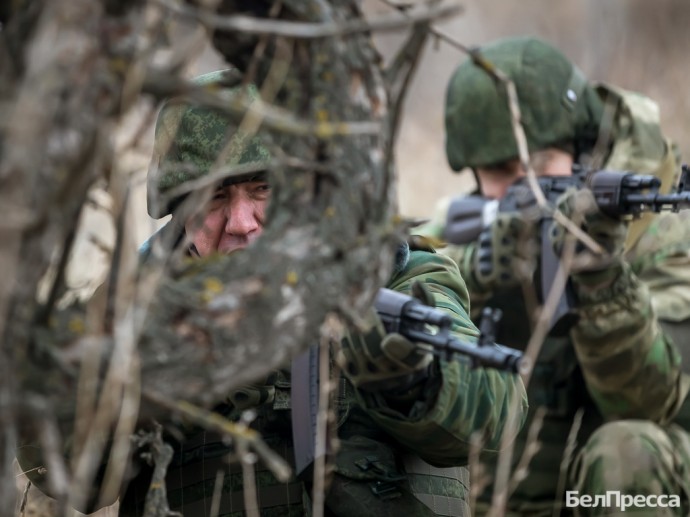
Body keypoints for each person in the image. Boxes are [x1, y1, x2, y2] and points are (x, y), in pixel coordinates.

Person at [17, 70, 527, 516]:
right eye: (214, 195)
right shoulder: (134, 305)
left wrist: (413, 377)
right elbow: (57, 469)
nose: (241, 223)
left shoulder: (399, 277)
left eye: (264, 189)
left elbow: (496, 418)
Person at [417, 36, 690, 515]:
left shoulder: (663, 236)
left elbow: (648, 403)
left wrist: (600, 275)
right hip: (512, 492)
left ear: (585, 149)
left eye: (541, 164)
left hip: (634, 485)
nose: (527, 188)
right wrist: (474, 281)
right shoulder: (469, 225)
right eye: (503, 171)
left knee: (627, 451)